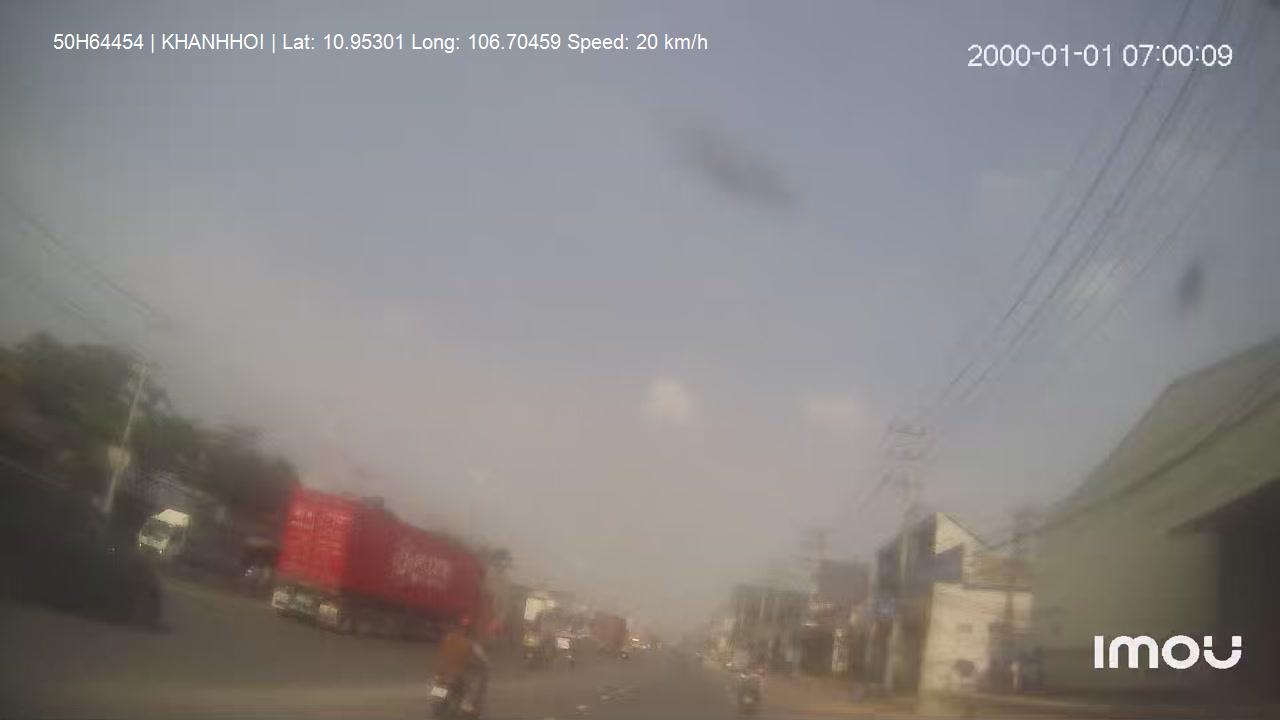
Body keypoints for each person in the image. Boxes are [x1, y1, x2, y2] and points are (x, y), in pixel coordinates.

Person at [436, 618, 489, 716]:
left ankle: (439, 700)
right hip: (459, 674)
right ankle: (466, 705)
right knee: (477, 680)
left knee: (440, 683)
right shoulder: (470, 644)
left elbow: (442, 654)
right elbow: (482, 660)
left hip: (443, 672)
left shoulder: (448, 639)